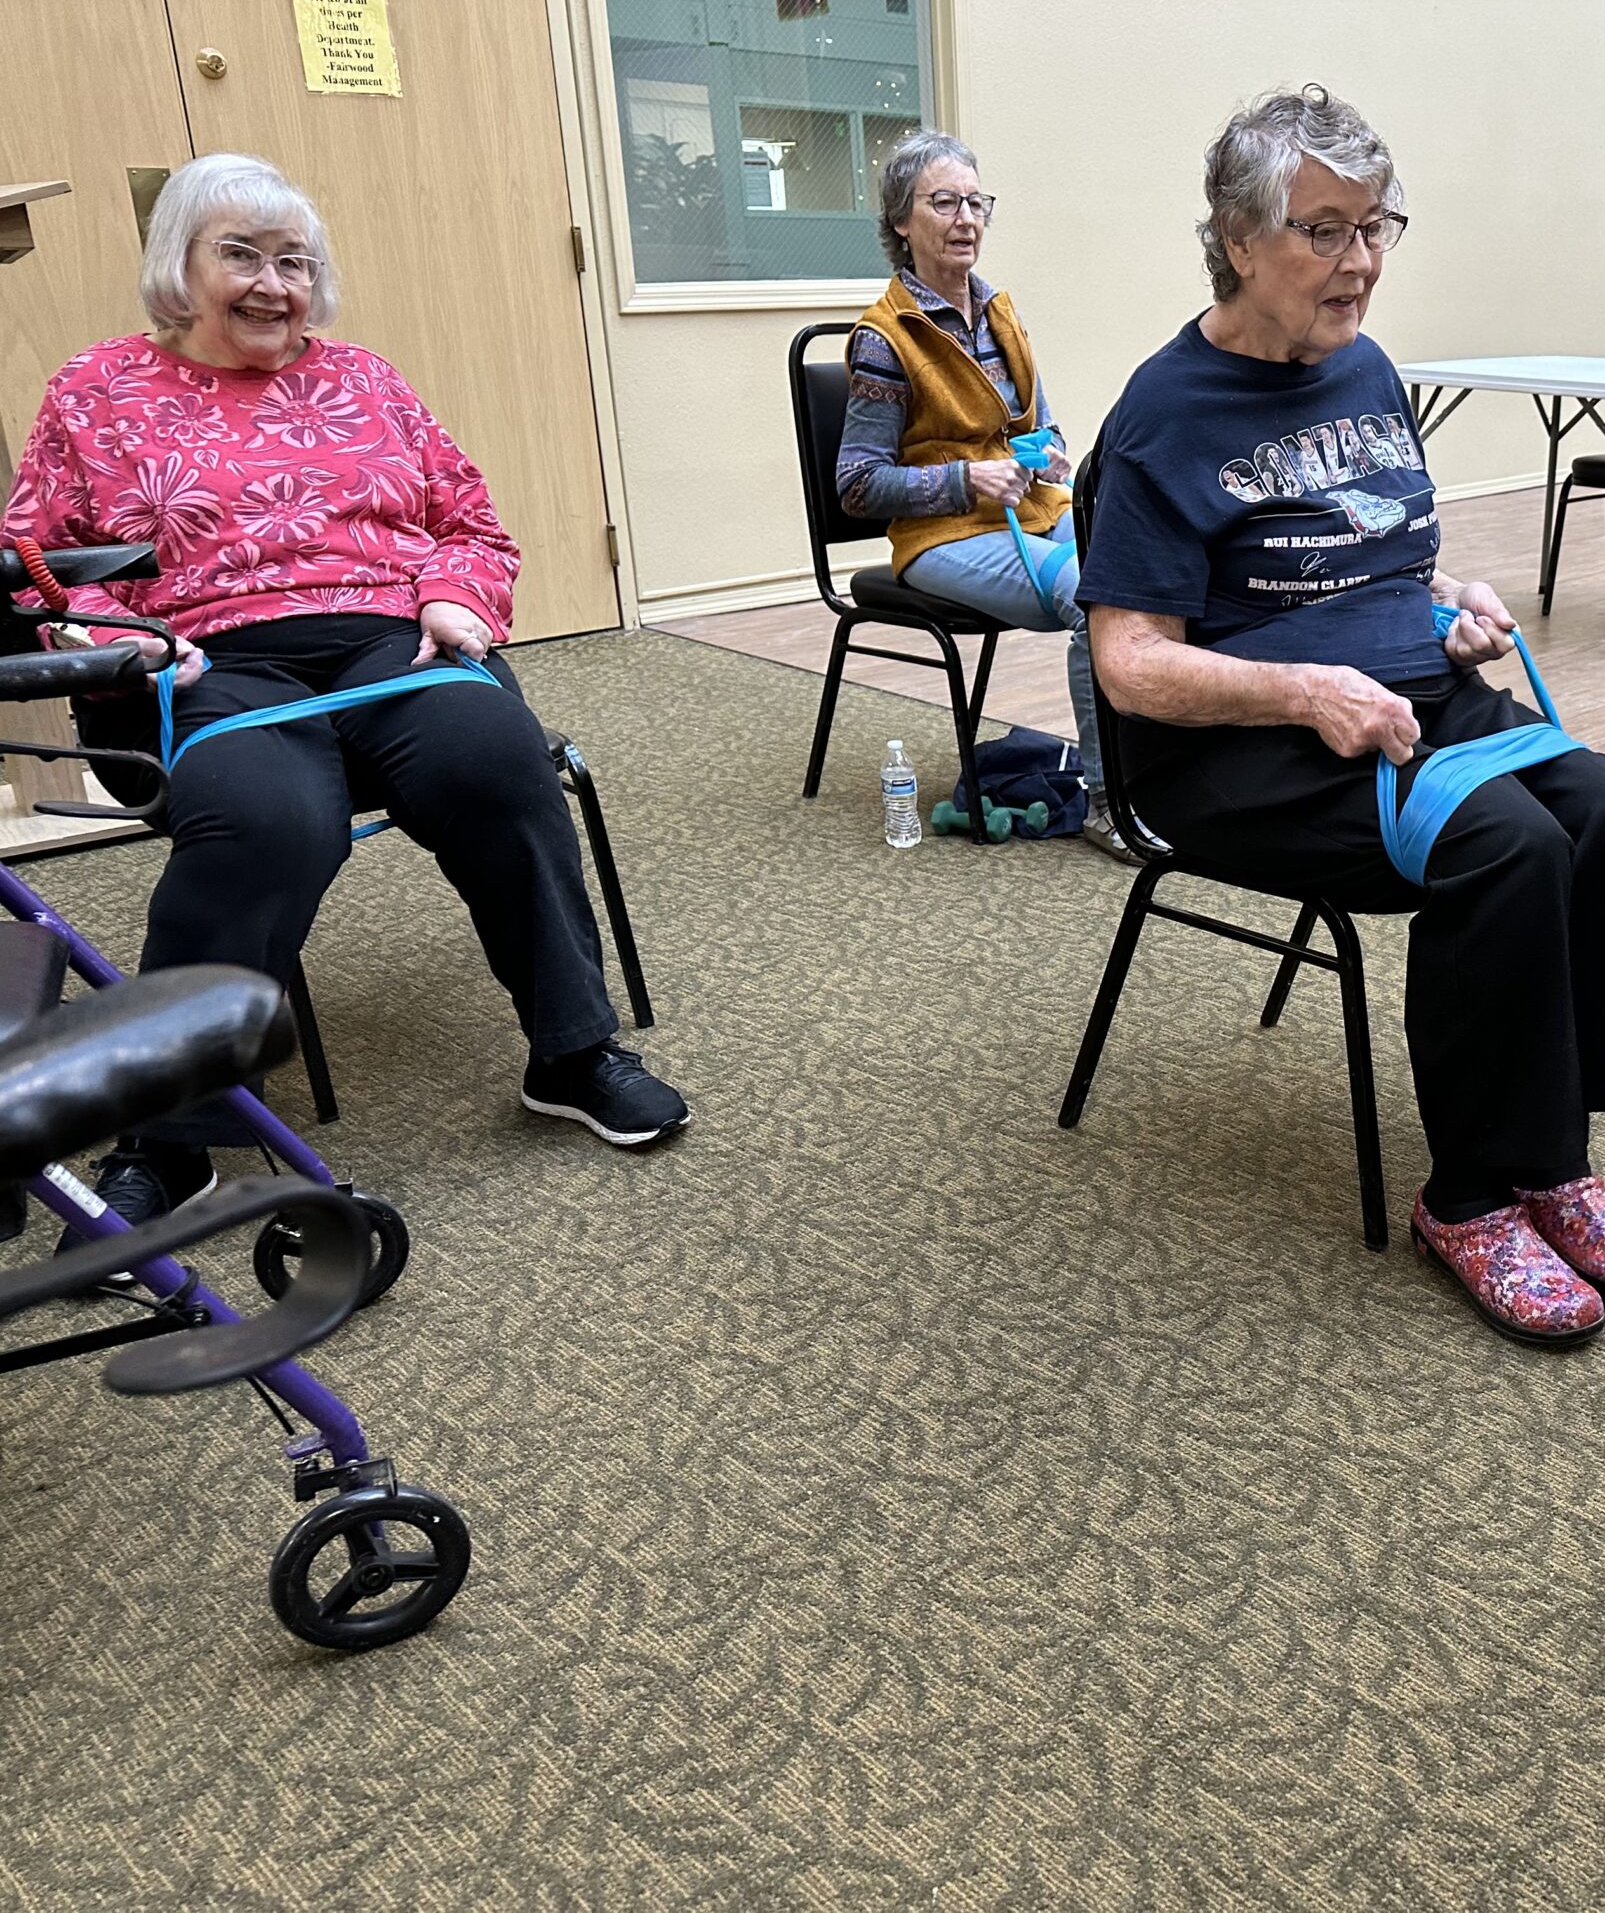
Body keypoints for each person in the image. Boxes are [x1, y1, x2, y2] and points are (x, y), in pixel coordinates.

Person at [1078, 86, 1605, 1349]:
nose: (1358, 261)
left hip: (1407, 697)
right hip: (1237, 753)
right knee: (1503, 843)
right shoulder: (1162, 416)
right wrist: (1303, 691)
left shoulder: (1363, 371)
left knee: (1594, 805)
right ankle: (1468, 1199)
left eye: (1375, 226)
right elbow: (1129, 667)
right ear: (1238, 241)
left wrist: (1449, 602)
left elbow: (1385, 554)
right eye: (1324, 230)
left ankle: (1552, 1164)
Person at [3, 152, 689, 1236]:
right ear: (179, 263)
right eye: (242, 255)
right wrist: (123, 639)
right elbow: (35, 564)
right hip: (207, 658)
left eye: (295, 262)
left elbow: (469, 523)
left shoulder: (366, 379)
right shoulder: (96, 391)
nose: (273, 284)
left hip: (390, 641)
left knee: (495, 763)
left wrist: (455, 597)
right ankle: (169, 1135)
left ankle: (572, 1051)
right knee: (264, 820)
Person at [836, 130, 1133, 863]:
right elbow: (857, 486)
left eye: (976, 202)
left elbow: (1038, 423)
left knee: (1140, 571)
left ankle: (1152, 775)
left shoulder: (1000, 312)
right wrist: (968, 479)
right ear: (901, 221)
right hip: (941, 538)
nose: (966, 218)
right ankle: (1108, 803)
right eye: (944, 203)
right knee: (1093, 595)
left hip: (1029, 512)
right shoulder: (884, 339)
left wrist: (1050, 450)